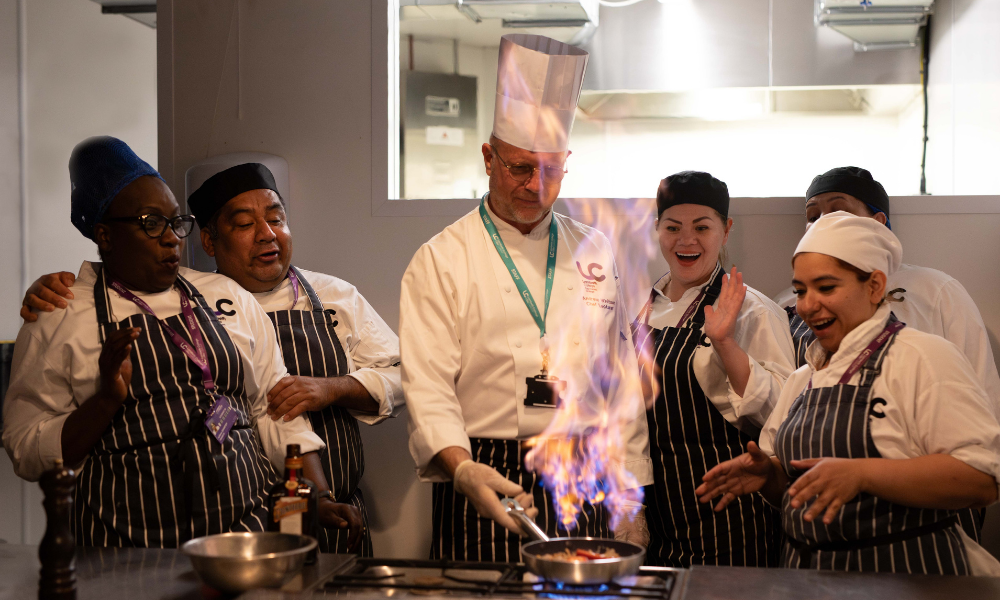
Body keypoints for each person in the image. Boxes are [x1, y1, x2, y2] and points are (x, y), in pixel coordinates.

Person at [20, 161, 400, 556]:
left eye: (276, 218)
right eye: (244, 224)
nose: (268, 234)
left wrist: (331, 392)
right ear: (209, 241)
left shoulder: (330, 296)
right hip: (126, 541)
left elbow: (283, 409)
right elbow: (27, 440)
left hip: (290, 516)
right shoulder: (68, 310)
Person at [399, 33, 652, 562]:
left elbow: (620, 383)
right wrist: (462, 469)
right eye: (520, 167)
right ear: (489, 157)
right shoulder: (442, 258)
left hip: (581, 470)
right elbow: (428, 389)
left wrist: (631, 500)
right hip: (484, 469)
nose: (538, 186)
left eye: (553, 169)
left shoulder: (594, 247)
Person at [697, 212, 1000, 575]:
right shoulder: (803, 379)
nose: (807, 305)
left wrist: (863, 474)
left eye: (826, 288)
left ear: (874, 286)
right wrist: (770, 477)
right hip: (809, 580)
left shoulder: (923, 357)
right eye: (800, 290)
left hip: (906, 577)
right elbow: (797, 492)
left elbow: (981, 479)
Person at [631, 171, 794, 567]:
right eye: (673, 227)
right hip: (658, 514)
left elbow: (783, 415)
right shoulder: (642, 305)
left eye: (702, 227)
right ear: (657, 230)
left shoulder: (754, 311)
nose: (686, 240)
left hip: (730, 517)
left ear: (725, 230)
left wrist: (726, 343)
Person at [775, 167, 1000, 409]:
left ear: (878, 222)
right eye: (813, 216)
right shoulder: (787, 304)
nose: (823, 222)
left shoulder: (938, 291)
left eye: (839, 211)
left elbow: (981, 391)